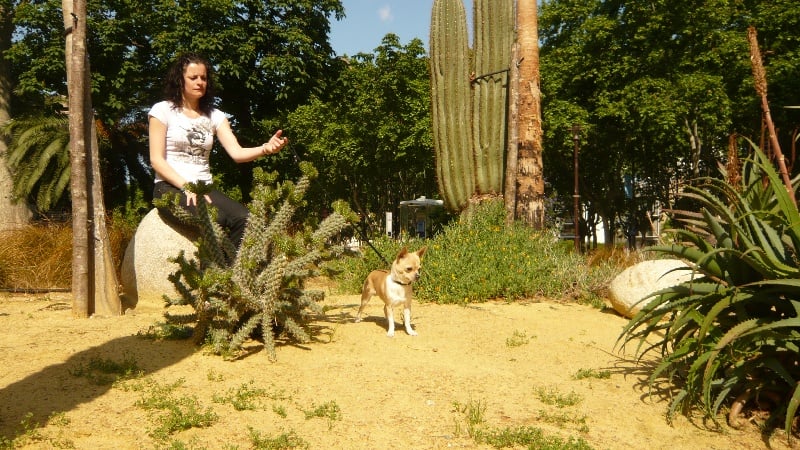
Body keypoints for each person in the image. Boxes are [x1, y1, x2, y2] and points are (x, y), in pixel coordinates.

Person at [148, 52, 288, 248]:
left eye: (203, 78)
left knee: (245, 219)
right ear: (180, 80)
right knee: (213, 221)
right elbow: (156, 160)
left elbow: (237, 153)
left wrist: (265, 148)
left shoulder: (215, 116)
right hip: (170, 188)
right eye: (193, 77)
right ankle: (211, 274)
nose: (200, 82)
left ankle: (227, 275)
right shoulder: (162, 110)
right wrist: (186, 186)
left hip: (205, 189)